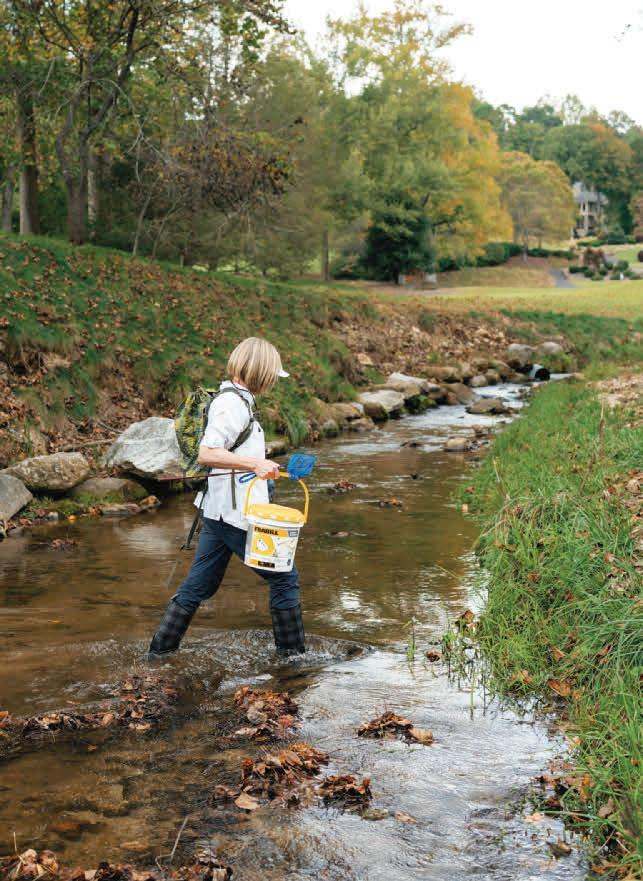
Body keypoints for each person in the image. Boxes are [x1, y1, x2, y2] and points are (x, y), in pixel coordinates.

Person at [148, 337, 305, 658]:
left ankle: (158, 655)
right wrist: (255, 464)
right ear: (262, 372)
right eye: (273, 375)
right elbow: (208, 452)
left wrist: (264, 466)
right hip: (235, 515)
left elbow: (234, 455)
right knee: (285, 579)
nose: (274, 381)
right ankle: (294, 662)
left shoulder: (238, 400)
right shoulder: (231, 404)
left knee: (199, 586)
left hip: (218, 510)